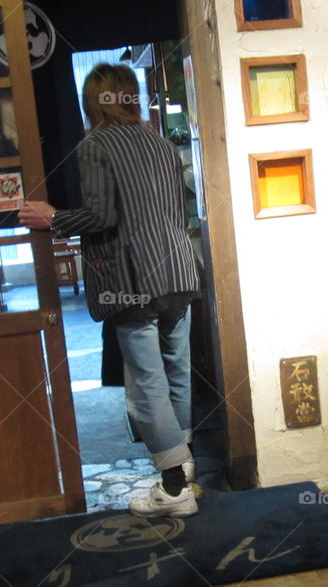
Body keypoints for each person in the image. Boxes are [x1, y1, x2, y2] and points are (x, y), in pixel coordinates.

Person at [18, 63, 201, 519]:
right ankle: (186, 462)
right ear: (131, 96)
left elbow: (101, 217)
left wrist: (52, 218)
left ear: (93, 101)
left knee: (146, 382)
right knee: (177, 366)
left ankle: (175, 488)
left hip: (133, 279)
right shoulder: (159, 141)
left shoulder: (96, 145)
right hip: (179, 270)